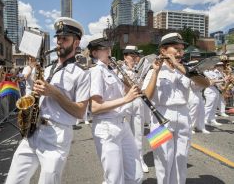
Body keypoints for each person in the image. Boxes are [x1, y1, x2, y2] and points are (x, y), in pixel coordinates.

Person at [5, 17, 90, 184]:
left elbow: (80, 111)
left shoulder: (82, 73)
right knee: (13, 181)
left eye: (65, 39)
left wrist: (54, 93)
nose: (59, 42)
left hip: (56, 136)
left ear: (76, 42)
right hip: (33, 131)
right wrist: (28, 102)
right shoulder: (48, 68)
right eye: (58, 38)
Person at [142, 33, 210, 184]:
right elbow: (146, 96)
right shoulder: (154, 69)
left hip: (184, 116)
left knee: (181, 158)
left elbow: (206, 83)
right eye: (176, 48)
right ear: (163, 51)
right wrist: (155, 72)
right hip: (160, 117)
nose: (180, 52)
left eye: (182, 49)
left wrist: (180, 67)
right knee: (163, 159)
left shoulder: (187, 69)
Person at [88, 37, 143, 184]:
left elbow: (125, 92)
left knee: (136, 173)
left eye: (109, 48)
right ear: (94, 53)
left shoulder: (111, 70)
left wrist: (130, 86)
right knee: (115, 179)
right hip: (107, 126)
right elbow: (95, 107)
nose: (109, 51)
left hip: (121, 123)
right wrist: (126, 99)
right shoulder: (96, 72)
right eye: (104, 49)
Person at [122, 45, 149, 173]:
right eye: (132, 56)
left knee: (138, 133)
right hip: (125, 103)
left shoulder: (141, 70)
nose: (134, 59)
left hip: (138, 102)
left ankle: (140, 160)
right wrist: (127, 70)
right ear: (125, 57)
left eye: (136, 56)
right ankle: (125, 160)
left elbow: (143, 86)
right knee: (125, 133)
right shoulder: (118, 69)